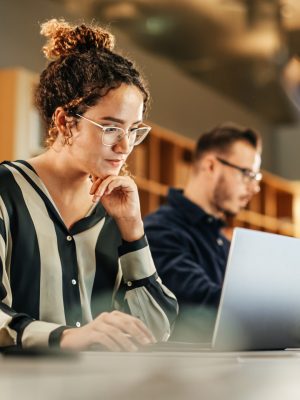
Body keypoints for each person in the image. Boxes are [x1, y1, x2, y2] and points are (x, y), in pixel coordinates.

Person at [0, 18, 178, 352]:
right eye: (111, 128)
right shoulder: (6, 191)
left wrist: (132, 229)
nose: (125, 147)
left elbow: (155, 330)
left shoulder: (114, 209)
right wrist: (65, 337)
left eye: (134, 130)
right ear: (65, 121)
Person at [144, 123, 262, 341]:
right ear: (211, 166)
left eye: (256, 178)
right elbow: (203, 303)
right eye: (247, 174)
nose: (254, 188)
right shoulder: (159, 231)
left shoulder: (223, 242)